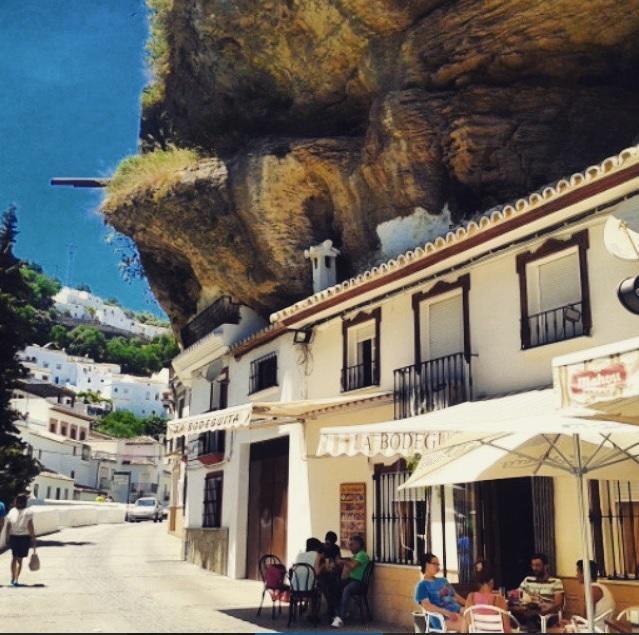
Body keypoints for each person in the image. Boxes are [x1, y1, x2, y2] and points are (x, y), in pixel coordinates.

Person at [415, 552, 465, 630]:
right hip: (442, 618)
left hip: (457, 611)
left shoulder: (443, 580)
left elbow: (456, 596)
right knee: (469, 626)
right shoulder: (422, 585)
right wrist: (447, 613)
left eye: (438, 564)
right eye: (435, 564)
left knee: (477, 620)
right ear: (426, 565)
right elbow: (427, 606)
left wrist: (470, 605)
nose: (437, 567)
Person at [513, 553, 564, 630]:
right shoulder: (528, 579)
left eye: (537, 565)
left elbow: (558, 603)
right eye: (533, 565)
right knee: (509, 614)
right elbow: (517, 593)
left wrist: (543, 612)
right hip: (527, 610)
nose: (534, 568)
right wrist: (511, 595)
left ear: (546, 566)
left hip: (546, 615)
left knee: (531, 619)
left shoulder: (555, 582)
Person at [330, 535, 370, 628]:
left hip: (359, 583)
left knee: (347, 590)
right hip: (352, 580)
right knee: (334, 587)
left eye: (352, 544)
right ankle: (340, 612)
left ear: (358, 544)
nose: (349, 546)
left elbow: (352, 566)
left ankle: (341, 617)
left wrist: (342, 562)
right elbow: (350, 562)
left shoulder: (362, 554)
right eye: (349, 544)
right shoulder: (356, 555)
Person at [465, 567, 512, 632]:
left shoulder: (471, 597)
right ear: (491, 581)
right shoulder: (499, 599)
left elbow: (467, 623)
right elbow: (507, 629)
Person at [6, 494, 36, 587]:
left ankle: (12, 577)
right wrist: (33, 538)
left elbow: (8, 526)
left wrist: (7, 537)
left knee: (14, 557)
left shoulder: (12, 511)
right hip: (24, 538)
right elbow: (30, 526)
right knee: (20, 559)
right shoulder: (29, 512)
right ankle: (16, 579)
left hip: (13, 537)